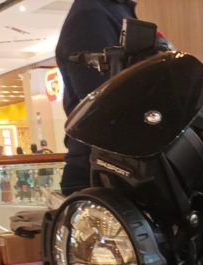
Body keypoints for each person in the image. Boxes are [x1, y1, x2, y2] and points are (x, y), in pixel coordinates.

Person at [55, 0, 138, 195]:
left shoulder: (110, 10)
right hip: (101, 167)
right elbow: (102, 100)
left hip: (113, 164)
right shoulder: (91, 14)